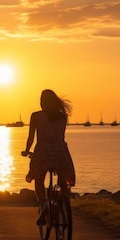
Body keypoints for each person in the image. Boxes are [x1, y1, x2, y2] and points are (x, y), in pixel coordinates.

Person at [22, 89, 75, 225]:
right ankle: (64, 204)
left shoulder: (36, 116)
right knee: (64, 181)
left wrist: (26, 150)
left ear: (43, 102)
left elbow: (31, 137)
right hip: (60, 151)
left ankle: (43, 204)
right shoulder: (62, 116)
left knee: (39, 179)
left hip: (43, 150)